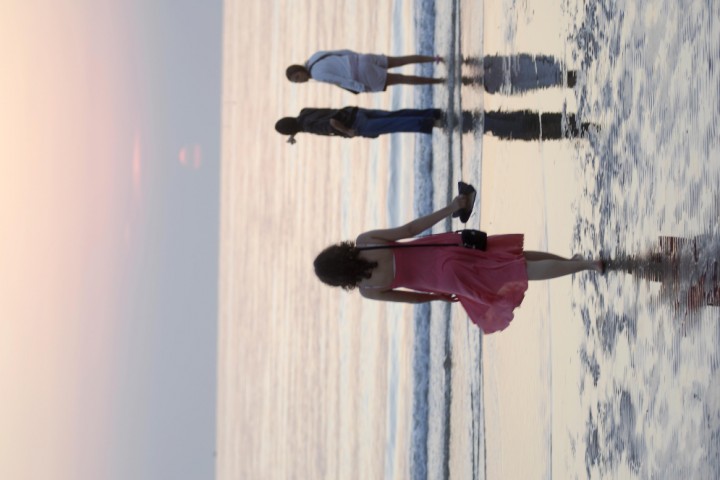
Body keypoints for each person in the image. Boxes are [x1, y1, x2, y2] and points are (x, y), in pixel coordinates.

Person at [313, 192, 604, 334]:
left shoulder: (369, 289)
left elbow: (414, 299)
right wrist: (452, 208)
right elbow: (411, 230)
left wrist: (439, 296)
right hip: (449, 252)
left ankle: (578, 263)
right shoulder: (367, 241)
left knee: (517, 267)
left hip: (449, 280)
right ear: (337, 252)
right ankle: (585, 265)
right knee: (516, 262)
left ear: (339, 280)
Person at [286, 50, 444, 93]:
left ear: (299, 70)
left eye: (297, 77)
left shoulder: (317, 75)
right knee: (401, 60)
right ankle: (436, 58)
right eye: (296, 81)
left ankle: (440, 81)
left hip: (361, 75)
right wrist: (358, 56)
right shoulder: (315, 56)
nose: (299, 81)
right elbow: (342, 51)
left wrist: (361, 88)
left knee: (402, 79)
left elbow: (341, 81)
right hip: (361, 59)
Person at [275, 107, 443, 143]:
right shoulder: (304, 113)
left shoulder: (309, 127)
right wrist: (293, 134)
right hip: (353, 112)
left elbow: (331, 123)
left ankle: (431, 123)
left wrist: (349, 132)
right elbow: (298, 124)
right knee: (394, 115)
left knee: (396, 124)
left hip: (355, 124)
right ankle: (431, 113)